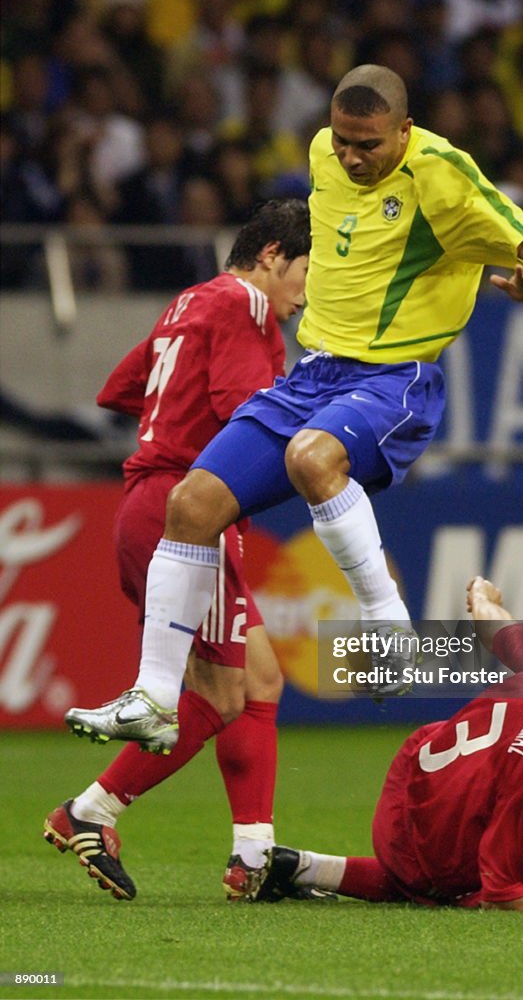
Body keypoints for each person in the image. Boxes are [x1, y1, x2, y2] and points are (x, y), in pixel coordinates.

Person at [65, 63, 523, 753]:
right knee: (191, 505)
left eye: (370, 145)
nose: (352, 157)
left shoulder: (440, 174)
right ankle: (152, 697)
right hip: (315, 373)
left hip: (395, 377)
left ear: (405, 131)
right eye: (343, 141)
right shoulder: (323, 155)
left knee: (311, 457)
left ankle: (389, 629)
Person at [45, 199, 310, 901]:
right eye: (305, 273)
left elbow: (121, 389)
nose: (304, 297)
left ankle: (252, 852)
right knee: (222, 695)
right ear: (274, 255)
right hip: (190, 516)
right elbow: (245, 406)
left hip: (148, 505)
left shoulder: (189, 302)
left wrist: (173, 424)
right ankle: (91, 810)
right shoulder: (249, 307)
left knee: (259, 682)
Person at [247, 578, 523, 914]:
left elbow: (495, 627)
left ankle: (301, 866)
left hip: (417, 771)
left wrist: (485, 598)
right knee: (461, 886)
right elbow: (515, 896)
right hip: (428, 846)